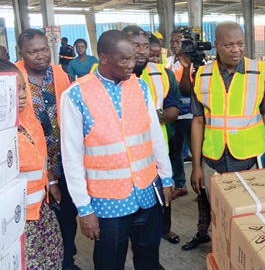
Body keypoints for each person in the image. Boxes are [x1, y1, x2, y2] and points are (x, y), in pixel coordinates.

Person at [60, 30, 174, 270]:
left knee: (149, 258)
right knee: (109, 262)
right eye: (125, 59)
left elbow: (155, 137)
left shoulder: (141, 87)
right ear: (103, 58)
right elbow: (71, 158)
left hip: (146, 192)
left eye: (133, 57)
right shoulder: (76, 95)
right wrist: (84, 208)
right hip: (108, 202)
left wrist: (166, 178)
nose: (132, 64)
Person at [185, 21, 265, 250]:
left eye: (240, 44)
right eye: (229, 45)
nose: (236, 50)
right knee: (215, 210)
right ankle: (220, 251)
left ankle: (248, 254)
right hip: (214, 158)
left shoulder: (259, 72)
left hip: (250, 158)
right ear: (216, 46)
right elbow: (198, 120)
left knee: (250, 214)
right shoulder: (202, 75)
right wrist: (196, 166)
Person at [15, 29, 78, 270]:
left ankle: (67, 260)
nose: (40, 55)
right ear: (22, 53)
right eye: (33, 51)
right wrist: (47, 174)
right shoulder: (15, 77)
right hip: (34, 166)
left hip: (64, 158)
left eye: (44, 49)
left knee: (68, 215)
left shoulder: (60, 73)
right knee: (41, 220)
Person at [122, 25, 182, 249]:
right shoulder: (101, 74)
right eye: (135, 45)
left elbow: (173, 106)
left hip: (154, 152)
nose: (141, 51)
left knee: (159, 201)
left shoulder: (162, 73)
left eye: (145, 46)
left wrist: (158, 116)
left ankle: (163, 230)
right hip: (119, 159)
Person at [0, 60, 63, 269]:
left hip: (39, 213)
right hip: (13, 222)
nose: (21, 95)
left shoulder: (28, 117)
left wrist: (51, 182)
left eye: (23, 88)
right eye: (11, 89)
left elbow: (39, 160)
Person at [166, 28, 194, 200]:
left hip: (190, 116)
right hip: (174, 116)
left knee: (196, 152)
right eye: (172, 41)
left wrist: (186, 69)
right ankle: (180, 185)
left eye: (178, 41)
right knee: (174, 153)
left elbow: (187, 89)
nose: (174, 45)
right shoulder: (168, 62)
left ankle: (202, 187)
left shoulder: (192, 62)